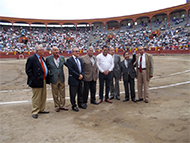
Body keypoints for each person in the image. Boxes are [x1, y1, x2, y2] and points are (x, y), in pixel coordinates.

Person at [25, 44, 49, 119]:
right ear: (37, 51)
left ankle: (41, 109)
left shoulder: (42, 58)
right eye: (42, 50)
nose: (43, 51)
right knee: (36, 96)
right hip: (36, 80)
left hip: (43, 79)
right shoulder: (31, 59)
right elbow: (28, 71)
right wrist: (34, 78)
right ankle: (35, 111)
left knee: (43, 95)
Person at [46, 46, 68, 112]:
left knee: (62, 92)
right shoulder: (48, 59)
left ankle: (62, 105)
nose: (56, 51)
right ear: (52, 51)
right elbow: (47, 68)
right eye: (55, 50)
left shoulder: (62, 58)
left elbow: (67, 65)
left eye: (57, 50)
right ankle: (57, 105)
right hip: (53, 77)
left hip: (61, 76)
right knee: (55, 92)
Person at [66, 47, 86, 112]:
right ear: (73, 52)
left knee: (80, 92)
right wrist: (78, 76)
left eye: (78, 51)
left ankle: (80, 103)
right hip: (74, 79)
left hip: (80, 78)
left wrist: (82, 75)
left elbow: (82, 68)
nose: (78, 52)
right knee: (73, 94)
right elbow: (71, 70)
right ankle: (73, 105)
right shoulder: (69, 60)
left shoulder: (80, 59)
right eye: (76, 51)